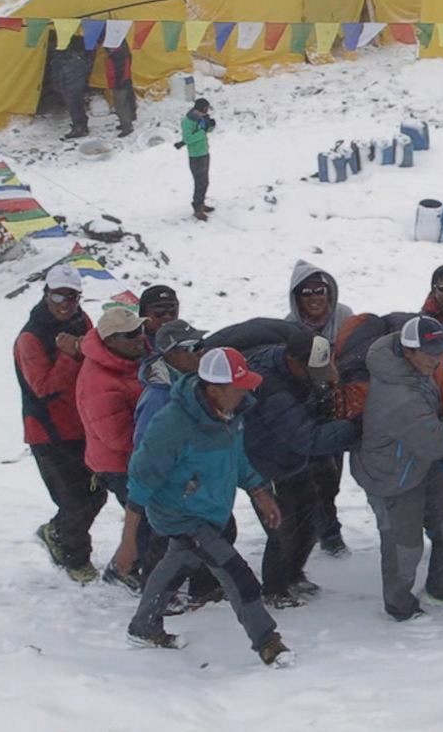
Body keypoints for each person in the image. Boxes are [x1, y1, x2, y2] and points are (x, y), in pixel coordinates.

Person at [127, 347, 293, 667]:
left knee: (178, 561)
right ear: (214, 389)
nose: (246, 391)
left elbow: (236, 458)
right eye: (239, 386)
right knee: (235, 572)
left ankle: (143, 625)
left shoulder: (230, 414)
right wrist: (128, 542)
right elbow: (141, 477)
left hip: (208, 508)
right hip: (179, 513)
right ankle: (268, 642)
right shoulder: (172, 424)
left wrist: (259, 491)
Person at [352, 317, 443, 622]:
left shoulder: (412, 369)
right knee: (404, 547)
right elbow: (439, 443)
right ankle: (399, 606)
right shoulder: (398, 396)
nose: (437, 359)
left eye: (440, 350)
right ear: (408, 351)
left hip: (419, 463)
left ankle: (442, 589)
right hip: (391, 477)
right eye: (429, 353)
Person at [243, 329, 361, 608]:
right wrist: (355, 428)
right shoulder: (273, 389)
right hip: (266, 465)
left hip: (293, 460)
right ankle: (274, 589)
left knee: (309, 521)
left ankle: (293, 575)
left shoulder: (296, 371)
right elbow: (306, 437)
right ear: (294, 362)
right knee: (282, 528)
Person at [134, 319, 233, 610]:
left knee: (217, 530)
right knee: (164, 542)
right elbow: (145, 447)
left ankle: (204, 587)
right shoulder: (159, 396)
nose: (200, 353)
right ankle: (156, 600)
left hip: (198, 481)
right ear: (169, 353)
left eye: (201, 345)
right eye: (191, 348)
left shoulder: (193, 384)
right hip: (172, 485)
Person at [16, 264, 105, 583]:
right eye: (59, 295)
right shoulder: (31, 336)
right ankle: (75, 557)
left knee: (96, 494)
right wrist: (70, 356)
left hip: (83, 424)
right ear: (46, 294)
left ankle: (58, 533)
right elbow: (43, 386)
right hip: (48, 432)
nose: (67, 302)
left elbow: (94, 356)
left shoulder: (82, 321)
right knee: (73, 499)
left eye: (73, 296)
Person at [284, 258, 356, 556]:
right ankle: (327, 533)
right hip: (307, 408)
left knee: (333, 476)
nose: (315, 298)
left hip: (340, 404)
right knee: (314, 476)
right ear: (296, 297)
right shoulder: (287, 328)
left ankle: (323, 527)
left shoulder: (345, 317)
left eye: (320, 290)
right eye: (307, 292)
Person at [78, 306, 150, 590]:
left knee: (145, 519)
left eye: (140, 331)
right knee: (143, 520)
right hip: (118, 464)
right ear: (110, 341)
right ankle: (126, 569)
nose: (139, 338)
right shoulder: (100, 382)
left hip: (134, 457)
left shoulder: (128, 361)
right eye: (130, 334)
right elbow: (118, 437)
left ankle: (129, 565)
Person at [175, 98, 216, 221]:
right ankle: (197, 208)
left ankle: (201, 204)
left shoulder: (200, 117)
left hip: (204, 153)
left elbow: (205, 130)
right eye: (206, 108)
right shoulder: (187, 121)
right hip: (195, 156)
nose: (207, 111)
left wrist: (210, 126)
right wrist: (203, 131)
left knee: (205, 182)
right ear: (201, 108)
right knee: (200, 183)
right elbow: (188, 139)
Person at [54, 37, 92, 141]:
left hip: (70, 87)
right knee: (78, 106)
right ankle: (81, 125)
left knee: (74, 107)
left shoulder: (67, 60)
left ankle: (79, 128)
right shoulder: (84, 58)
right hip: (77, 86)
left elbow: (61, 74)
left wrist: (59, 86)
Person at [103, 44, 136, 137]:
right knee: (125, 102)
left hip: (119, 83)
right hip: (122, 82)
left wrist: (117, 84)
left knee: (120, 105)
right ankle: (127, 122)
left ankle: (127, 127)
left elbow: (119, 71)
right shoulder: (122, 51)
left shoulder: (117, 55)